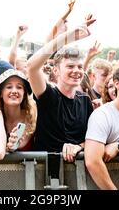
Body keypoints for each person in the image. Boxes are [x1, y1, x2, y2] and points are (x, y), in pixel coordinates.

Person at [27, 16, 96, 162]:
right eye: (70, 66)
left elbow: (94, 137)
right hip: (46, 173)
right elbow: (32, 67)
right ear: (56, 71)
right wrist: (67, 37)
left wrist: (79, 146)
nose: (76, 71)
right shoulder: (48, 95)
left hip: (79, 171)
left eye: (79, 67)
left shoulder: (85, 100)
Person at [0, 69, 37, 151]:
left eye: (19, 87)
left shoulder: (34, 118)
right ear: (1, 93)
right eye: (9, 87)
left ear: (24, 94)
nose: (14, 91)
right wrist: (8, 149)